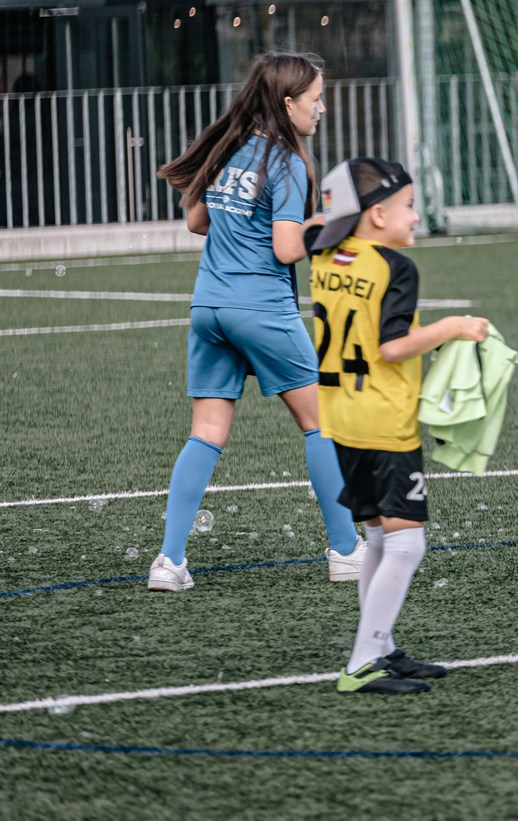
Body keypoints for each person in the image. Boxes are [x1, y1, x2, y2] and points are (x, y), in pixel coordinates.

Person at [146, 52, 363, 593]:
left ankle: (169, 562)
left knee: (205, 433)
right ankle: (346, 551)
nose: (322, 108)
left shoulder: (228, 149)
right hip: (261, 308)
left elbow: (197, 221)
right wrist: (331, 226)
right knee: (321, 424)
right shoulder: (286, 160)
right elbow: (287, 248)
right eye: (315, 100)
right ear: (288, 103)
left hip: (209, 308)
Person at [308, 159, 490, 695]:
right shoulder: (396, 268)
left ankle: (380, 647)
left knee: (379, 539)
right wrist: (453, 327)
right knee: (407, 546)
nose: (415, 216)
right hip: (383, 418)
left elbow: (316, 228)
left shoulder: (324, 254)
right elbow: (391, 347)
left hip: (340, 413)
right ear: (379, 213)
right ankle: (362, 661)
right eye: (409, 206)